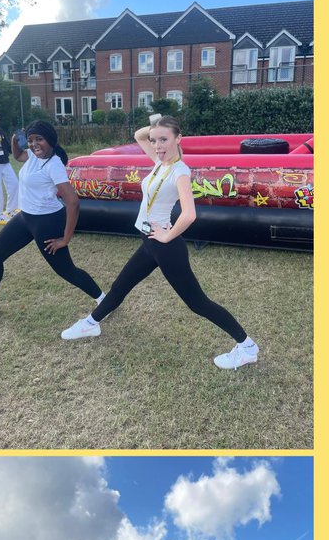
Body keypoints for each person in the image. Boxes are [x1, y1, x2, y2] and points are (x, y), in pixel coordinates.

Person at [60, 115, 259, 369]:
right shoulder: (159, 162)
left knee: (197, 303)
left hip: (165, 246)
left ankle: (247, 346)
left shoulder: (180, 171)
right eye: (154, 141)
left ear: (178, 139)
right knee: (121, 286)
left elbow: (189, 214)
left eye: (164, 140)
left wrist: (166, 235)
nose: (157, 145)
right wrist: (156, 126)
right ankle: (91, 323)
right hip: (150, 243)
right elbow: (139, 136)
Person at [0, 119, 104, 320]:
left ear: (51, 140)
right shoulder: (33, 155)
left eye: (39, 139)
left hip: (47, 223)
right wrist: (15, 140)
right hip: (25, 218)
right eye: (30, 140)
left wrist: (65, 239)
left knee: (66, 270)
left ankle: (104, 300)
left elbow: (73, 202)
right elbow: (19, 155)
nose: (34, 143)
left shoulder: (53, 164)